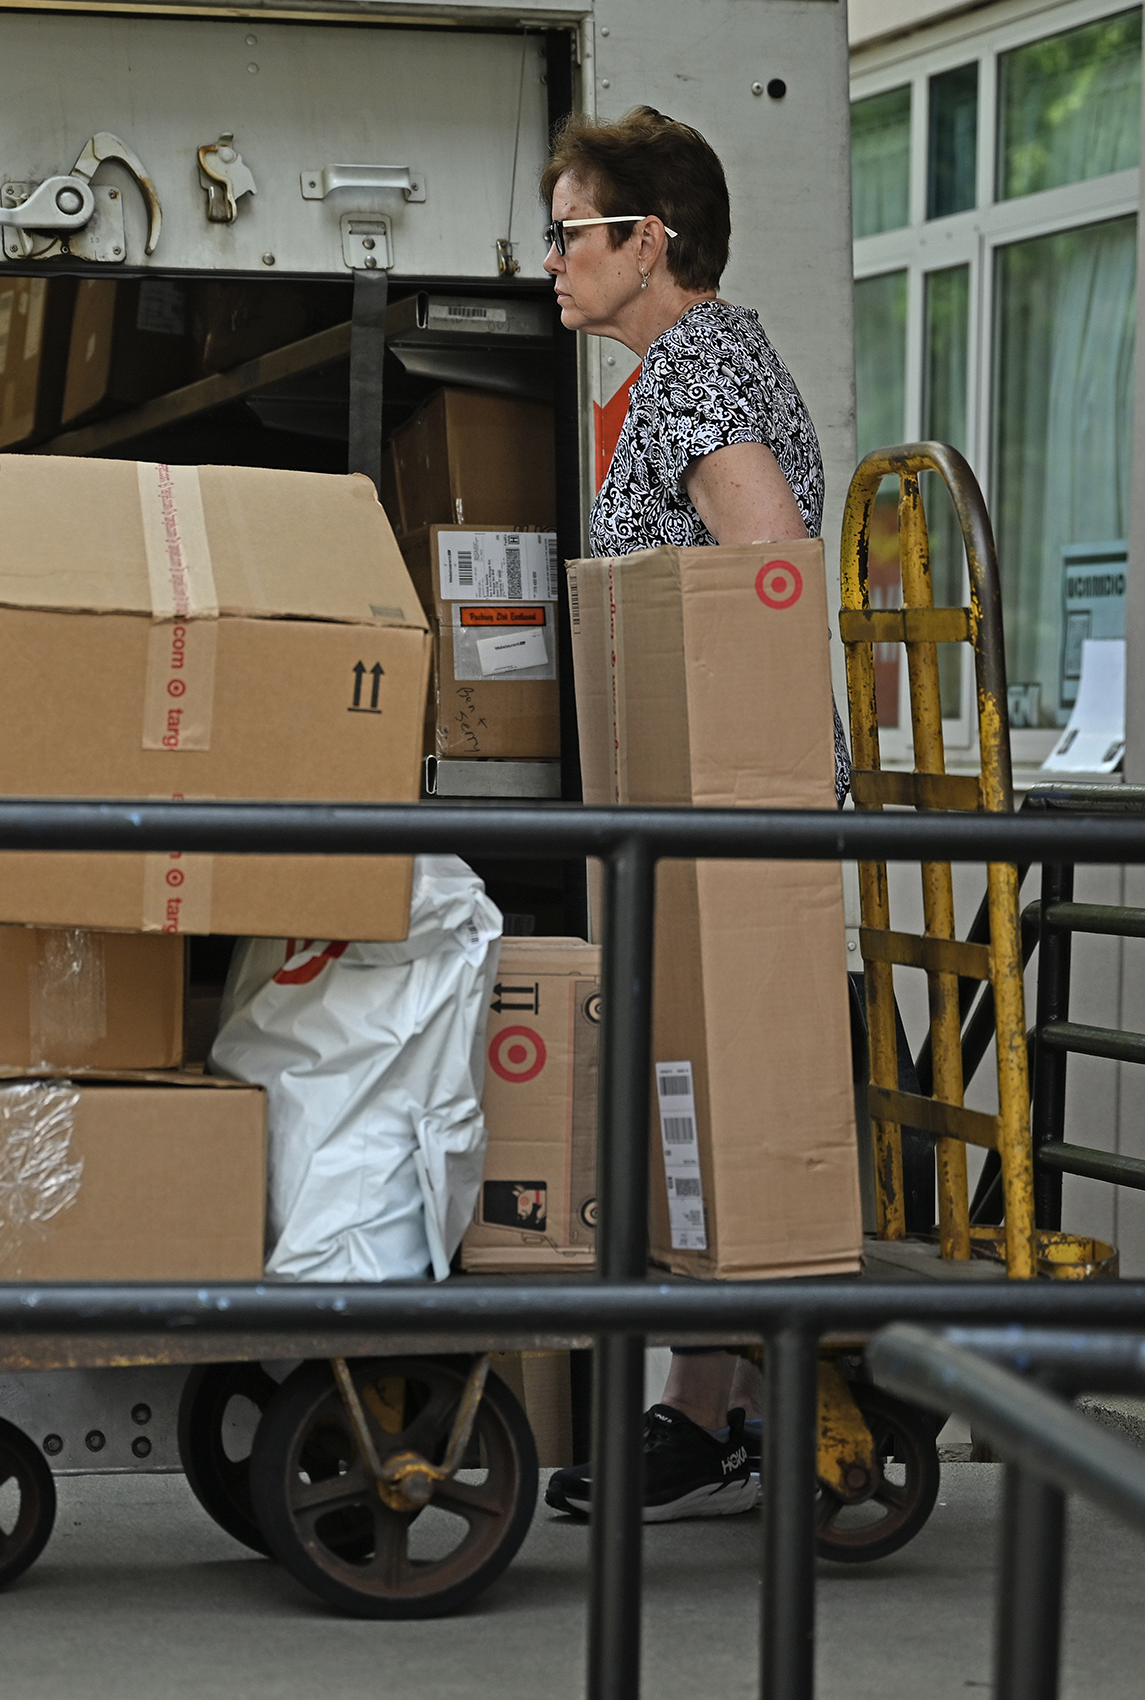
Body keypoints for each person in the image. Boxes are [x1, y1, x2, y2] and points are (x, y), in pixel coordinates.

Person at [535, 106, 846, 1524]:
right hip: (705, 805)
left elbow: (765, 559)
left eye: (569, 230)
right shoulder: (686, 364)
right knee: (694, 1104)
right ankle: (708, 1409)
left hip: (733, 809)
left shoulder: (702, 362)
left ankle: (733, 1401)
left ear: (644, 242)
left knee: (720, 1096)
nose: (549, 258)